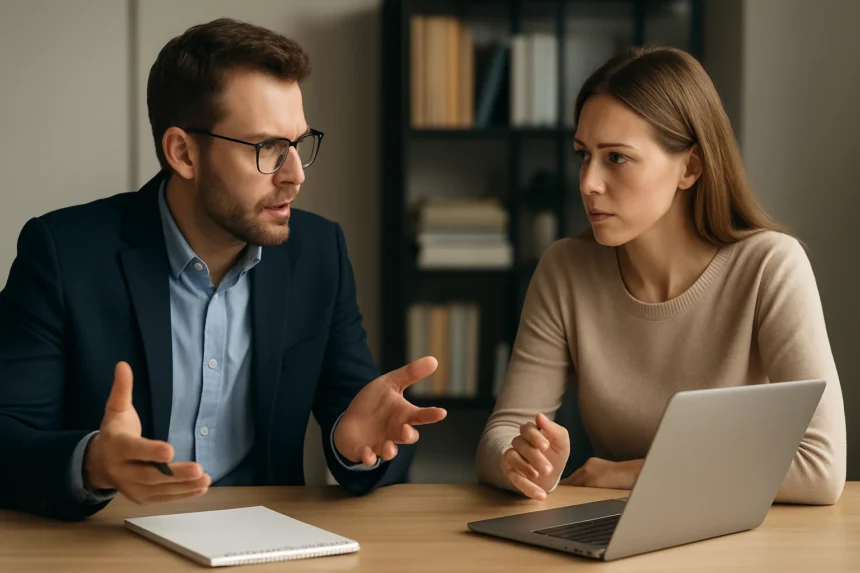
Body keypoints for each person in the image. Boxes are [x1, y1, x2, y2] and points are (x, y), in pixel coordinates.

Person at [0, 18, 446, 522]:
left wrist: (353, 443)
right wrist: (94, 464)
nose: (295, 176)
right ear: (183, 153)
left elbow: (372, 417)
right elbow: (7, 437)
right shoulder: (64, 253)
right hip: (109, 544)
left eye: (299, 143)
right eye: (267, 149)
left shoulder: (318, 252)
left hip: (266, 546)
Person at [475, 45, 846, 506]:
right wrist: (523, 461)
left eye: (616, 158)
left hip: (739, 539)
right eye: (583, 154)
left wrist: (635, 473)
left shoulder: (771, 266)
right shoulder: (565, 269)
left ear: (689, 167)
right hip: (610, 536)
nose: (587, 182)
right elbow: (502, 433)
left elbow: (821, 468)